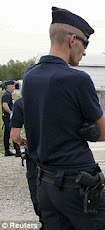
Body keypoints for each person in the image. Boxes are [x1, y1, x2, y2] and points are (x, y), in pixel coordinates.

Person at [22, 7, 105, 229]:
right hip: (75, 184)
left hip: (45, 184)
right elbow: (102, 134)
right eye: (85, 44)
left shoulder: (30, 76)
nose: (85, 51)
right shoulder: (77, 79)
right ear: (72, 40)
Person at [10, 64, 40, 218]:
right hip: (58, 154)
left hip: (34, 154)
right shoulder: (57, 99)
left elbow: (14, 136)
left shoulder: (21, 103)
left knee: (38, 196)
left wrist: (22, 140)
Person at [2, 80, 21, 157]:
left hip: (6, 116)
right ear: (8, 86)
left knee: (7, 133)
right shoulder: (7, 95)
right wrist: (11, 113)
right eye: (12, 86)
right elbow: (5, 105)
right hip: (8, 116)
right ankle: (17, 150)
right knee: (12, 132)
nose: (13, 88)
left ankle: (7, 150)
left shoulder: (7, 94)